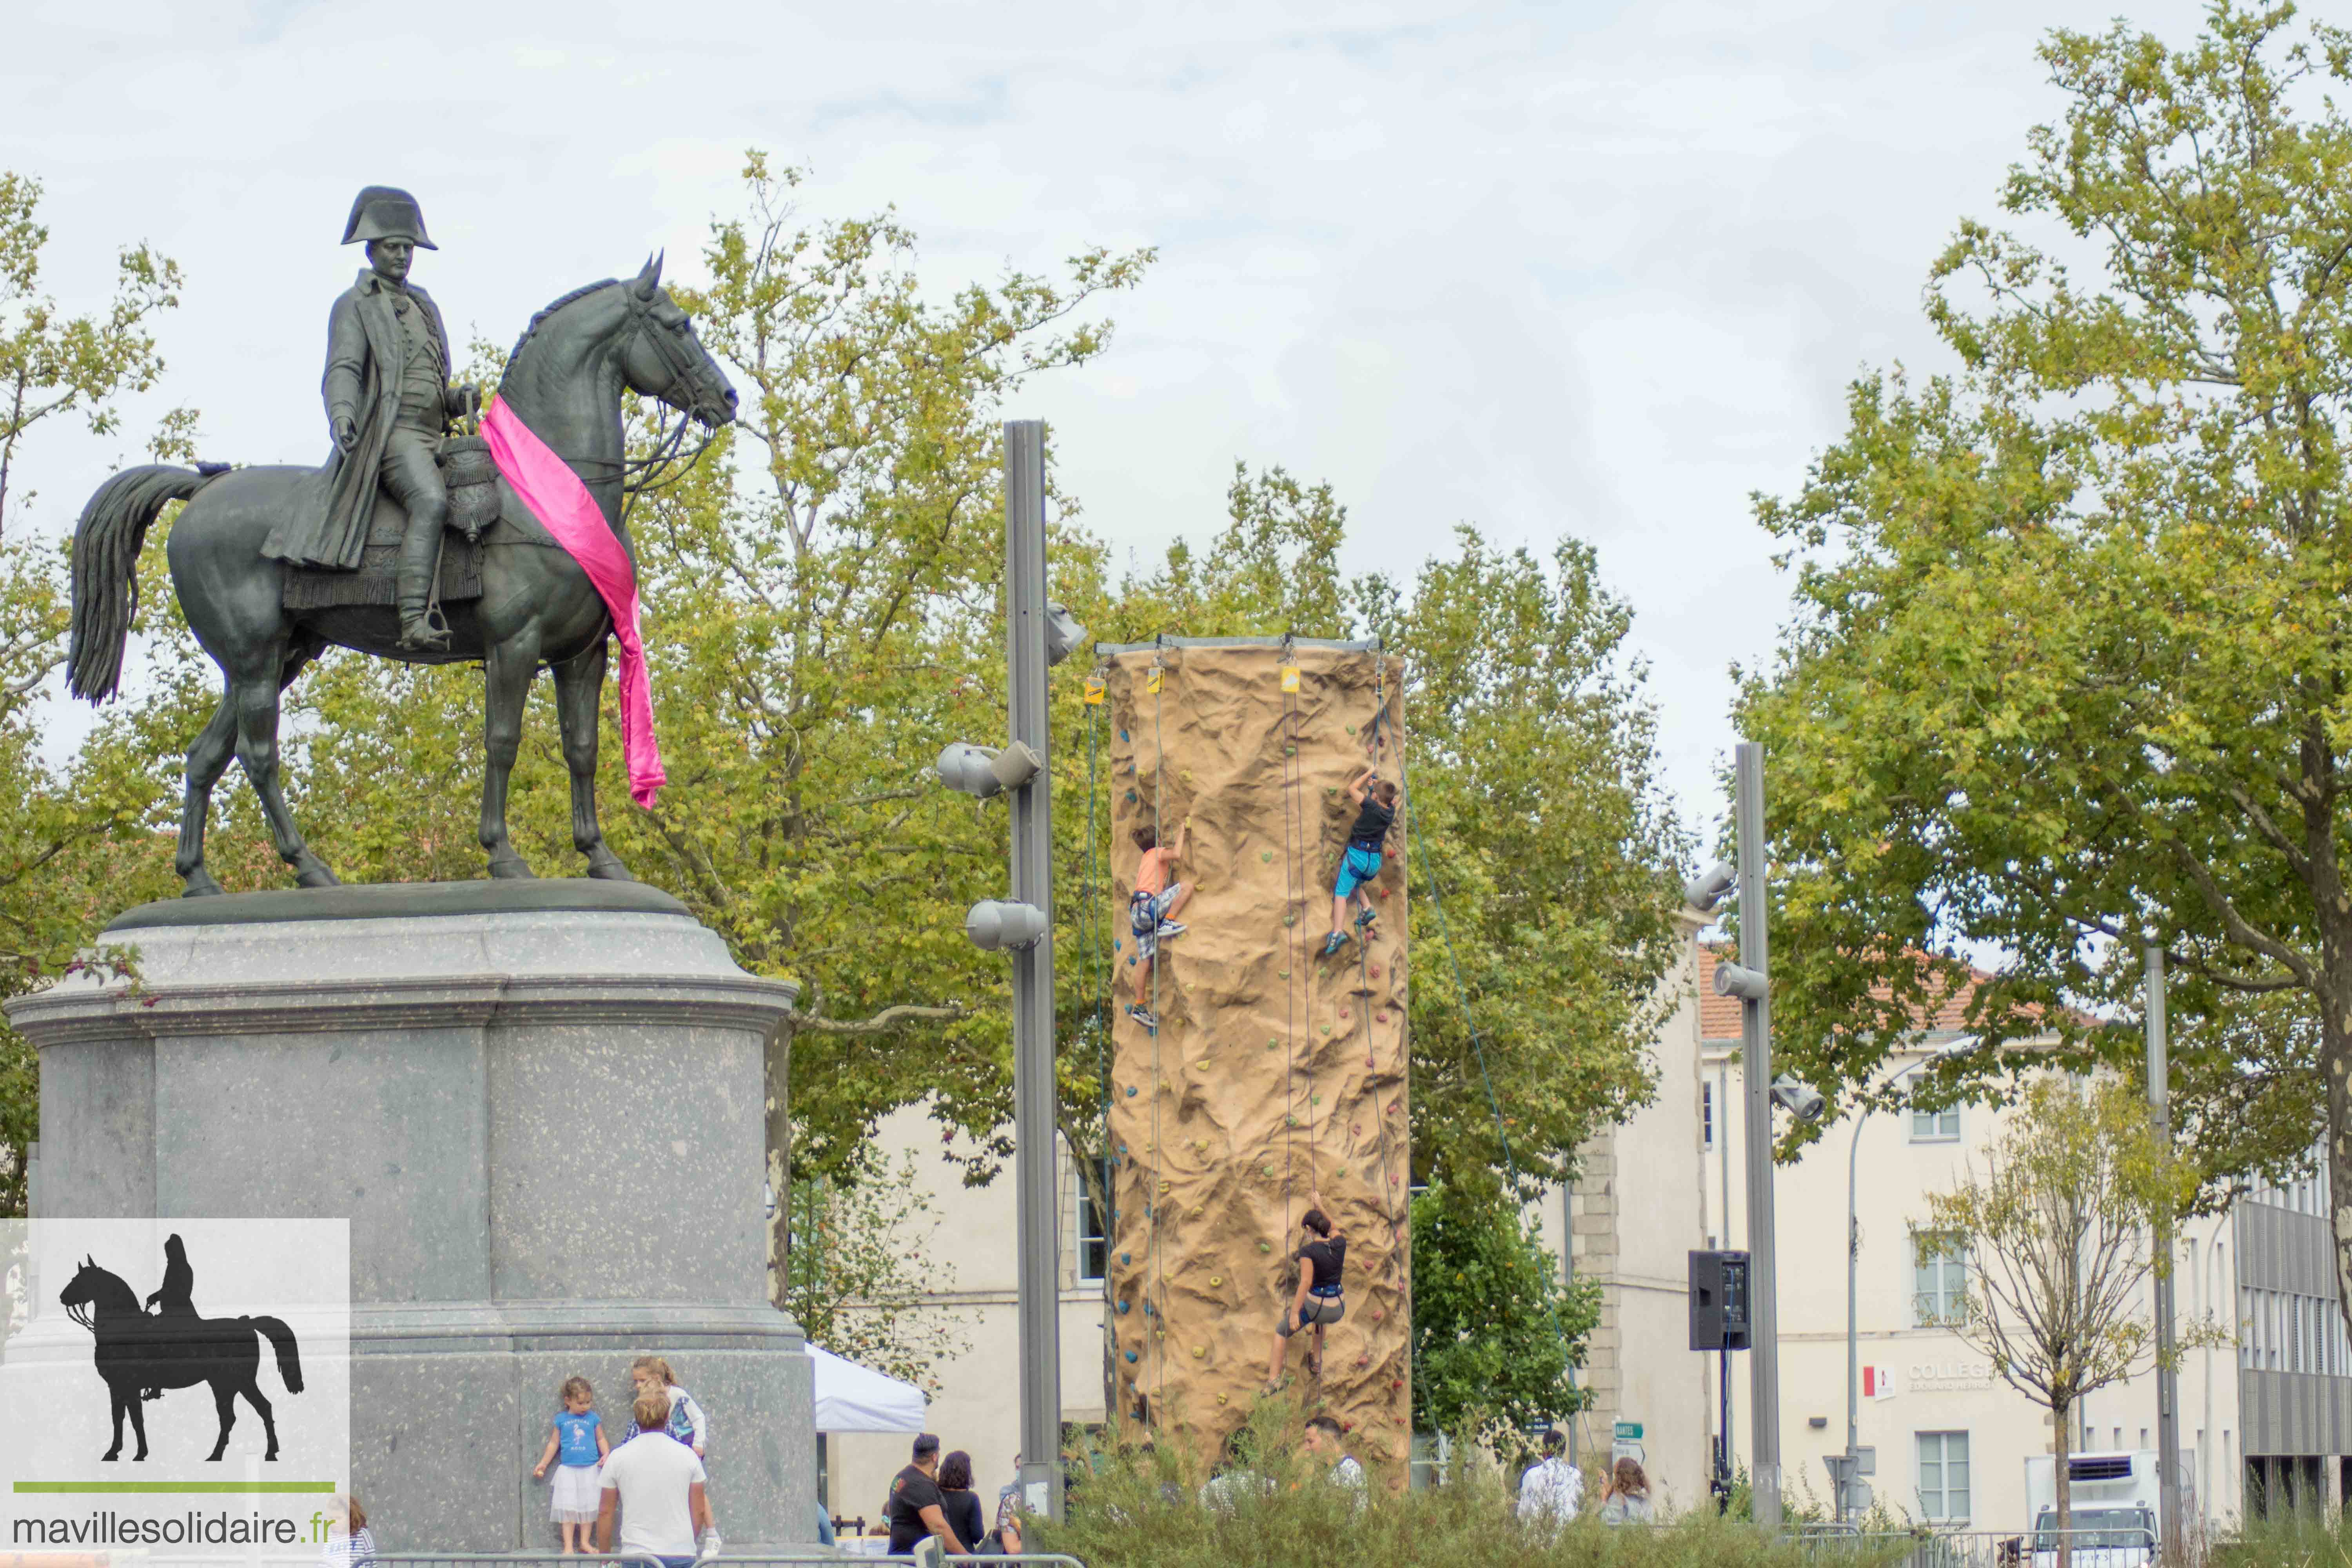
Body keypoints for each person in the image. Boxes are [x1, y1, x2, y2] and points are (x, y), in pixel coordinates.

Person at [267, 186, 478, 651]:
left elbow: (427, 376)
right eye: (393, 247)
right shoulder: (354, 303)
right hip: (392, 436)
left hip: (433, 434)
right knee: (431, 501)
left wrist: (454, 397)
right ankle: (413, 620)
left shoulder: (426, 305)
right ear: (371, 249)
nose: (403, 255)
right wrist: (342, 412)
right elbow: (342, 368)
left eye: (408, 248)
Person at [596, 1387, 714, 1568]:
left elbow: (605, 1512)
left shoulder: (617, 1457)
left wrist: (605, 1559)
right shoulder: (688, 1456)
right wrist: (686, 1541)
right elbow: (698, 1510)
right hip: (680, 1553)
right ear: (667, 1417)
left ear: (636, 1418)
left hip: (637, 1554)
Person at [1265, 1200, 1347, 1391]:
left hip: (1317, 1307)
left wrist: (1294, 1313)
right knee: (1320, 1320)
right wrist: (1320, 1205)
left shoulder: (1308, 1251)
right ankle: (1317, 1361)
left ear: (1310, 1230)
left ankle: (1273, 1380)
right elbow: (1333, 1226)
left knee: (1281, 1332)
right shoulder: (1340, 1243)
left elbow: (1306, 1282)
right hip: (1338, 1307)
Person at [1319, 768, 1399, 957]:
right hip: (1374, 862)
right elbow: (1385, 801)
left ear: (1377, 799)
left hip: (1358, 856)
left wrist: (1368, 773)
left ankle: (1337, 933)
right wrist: (1374, 790)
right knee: (1355, 882)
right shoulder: (1390, 811)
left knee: (1341, 892)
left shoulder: (1371, 806)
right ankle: (1368, 908)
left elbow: (1352, 789)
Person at [1127, 818, 1193, 1029]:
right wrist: (1182, 831)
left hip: (1138, 911)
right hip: (1149, 907)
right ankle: (1169, 922)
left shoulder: (1145, 859)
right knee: (1187, 886)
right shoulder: (1156, 852)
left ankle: (1139, 1006)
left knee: (1145, 959)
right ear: (1157, 841)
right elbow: (1176, 854)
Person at [533, 1374, 610, 1552]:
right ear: (568, 1401)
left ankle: (585, 1542)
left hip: (591, 1469)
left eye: (588, 1403)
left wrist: (607, 1454)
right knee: (568, 1508)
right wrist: (543, 1464)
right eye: (581, 1403)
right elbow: (554, 1444)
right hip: (568, 1470)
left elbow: (601, 1438)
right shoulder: (561, 1420)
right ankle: (568, 1545)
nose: (585, 1407)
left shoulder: (593, 1419)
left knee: (588, 1507)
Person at [884, 1432, 967, 1555]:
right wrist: (965, 1558)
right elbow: (938, 1527)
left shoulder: (902, 1477)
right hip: (915, 1560)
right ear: (934, 1456)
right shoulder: (920, 1484)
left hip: (904, 1559)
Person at [623, 1356, 709, 1458]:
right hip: (665, 1447)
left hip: (687, 1443)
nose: (638, 1386)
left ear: (657, 1378)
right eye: (636, 1381)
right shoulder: (644, 1399)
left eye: (642, 1380)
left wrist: (698, 1444)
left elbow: (698, 1418)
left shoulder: (678, 1395)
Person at [1516, 1428, 1583, 1530]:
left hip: (1537, 1540)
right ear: (1563, 1451)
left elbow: (1523, 1513)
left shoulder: (1532, 1475)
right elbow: (1582, 1509)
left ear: (1545, 1450)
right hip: (1568, 1540)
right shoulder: (1575, 1475)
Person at [1303, 1416, 1367, 1505]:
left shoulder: (1348, 1471)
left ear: (1328, 1440)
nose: (1307, 1448)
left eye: (1311, 1442)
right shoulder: (1325, 1471)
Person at [937, 1450, 986, 1554]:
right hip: (964, 1556)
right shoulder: (972, 1498)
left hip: (939, 1555)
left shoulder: (936, 1495)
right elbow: (978, 1535)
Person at [318, 1494, 374, 1568]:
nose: (334, 1522)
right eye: (331, 1518)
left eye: (339, 1518)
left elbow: (372, 1560)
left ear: (351, 1517)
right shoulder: (330, 1538)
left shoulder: (362, 1534)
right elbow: (323, 1562)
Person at [1598, 1456, 1654, 1525]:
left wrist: (1603, 1501)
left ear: (1620, 1478)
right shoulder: (1645, 1500)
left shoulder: (1619, 1499)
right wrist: (1606, 1484)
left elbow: (1607, 1523)